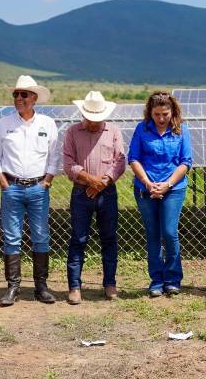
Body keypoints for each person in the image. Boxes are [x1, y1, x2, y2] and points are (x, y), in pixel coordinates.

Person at [0, 75, 61, 307]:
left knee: (41, 236)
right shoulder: (4, 124)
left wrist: (47, 181)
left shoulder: (47, 124)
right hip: (12, 188)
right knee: (12, 237)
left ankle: (41, 286)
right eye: (16, 94)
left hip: (39, 188)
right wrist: (3, 182)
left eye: (23, 94)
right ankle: (13, 287)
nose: (18, 98)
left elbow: (54, 156)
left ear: (34, 98)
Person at [63, 91, 127, 304]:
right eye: (90, 118)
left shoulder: (114, 131)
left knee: (109, 238)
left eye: (97, 118)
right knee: (78, 239)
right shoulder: (72, 132)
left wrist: (103, 182)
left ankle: (110, 283)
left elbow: (120, 162)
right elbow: (68, 163)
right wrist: (91, 181)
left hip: (107, 193)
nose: (93, 122)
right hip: (82, 192)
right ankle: (74, 286)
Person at [128, 92, 193, 298]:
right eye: (157, 114)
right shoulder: (142, 129)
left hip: (173, 188)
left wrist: (167, 184)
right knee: (153, 234)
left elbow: (186, 162)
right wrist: (148, 183)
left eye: (165, 114)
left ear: (172, 111)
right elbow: (134, 158)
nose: (161, 118)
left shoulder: (182, 130)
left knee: (169, 232)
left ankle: (173, 278)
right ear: (150, 113)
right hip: (145, 189)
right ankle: (156, 280)